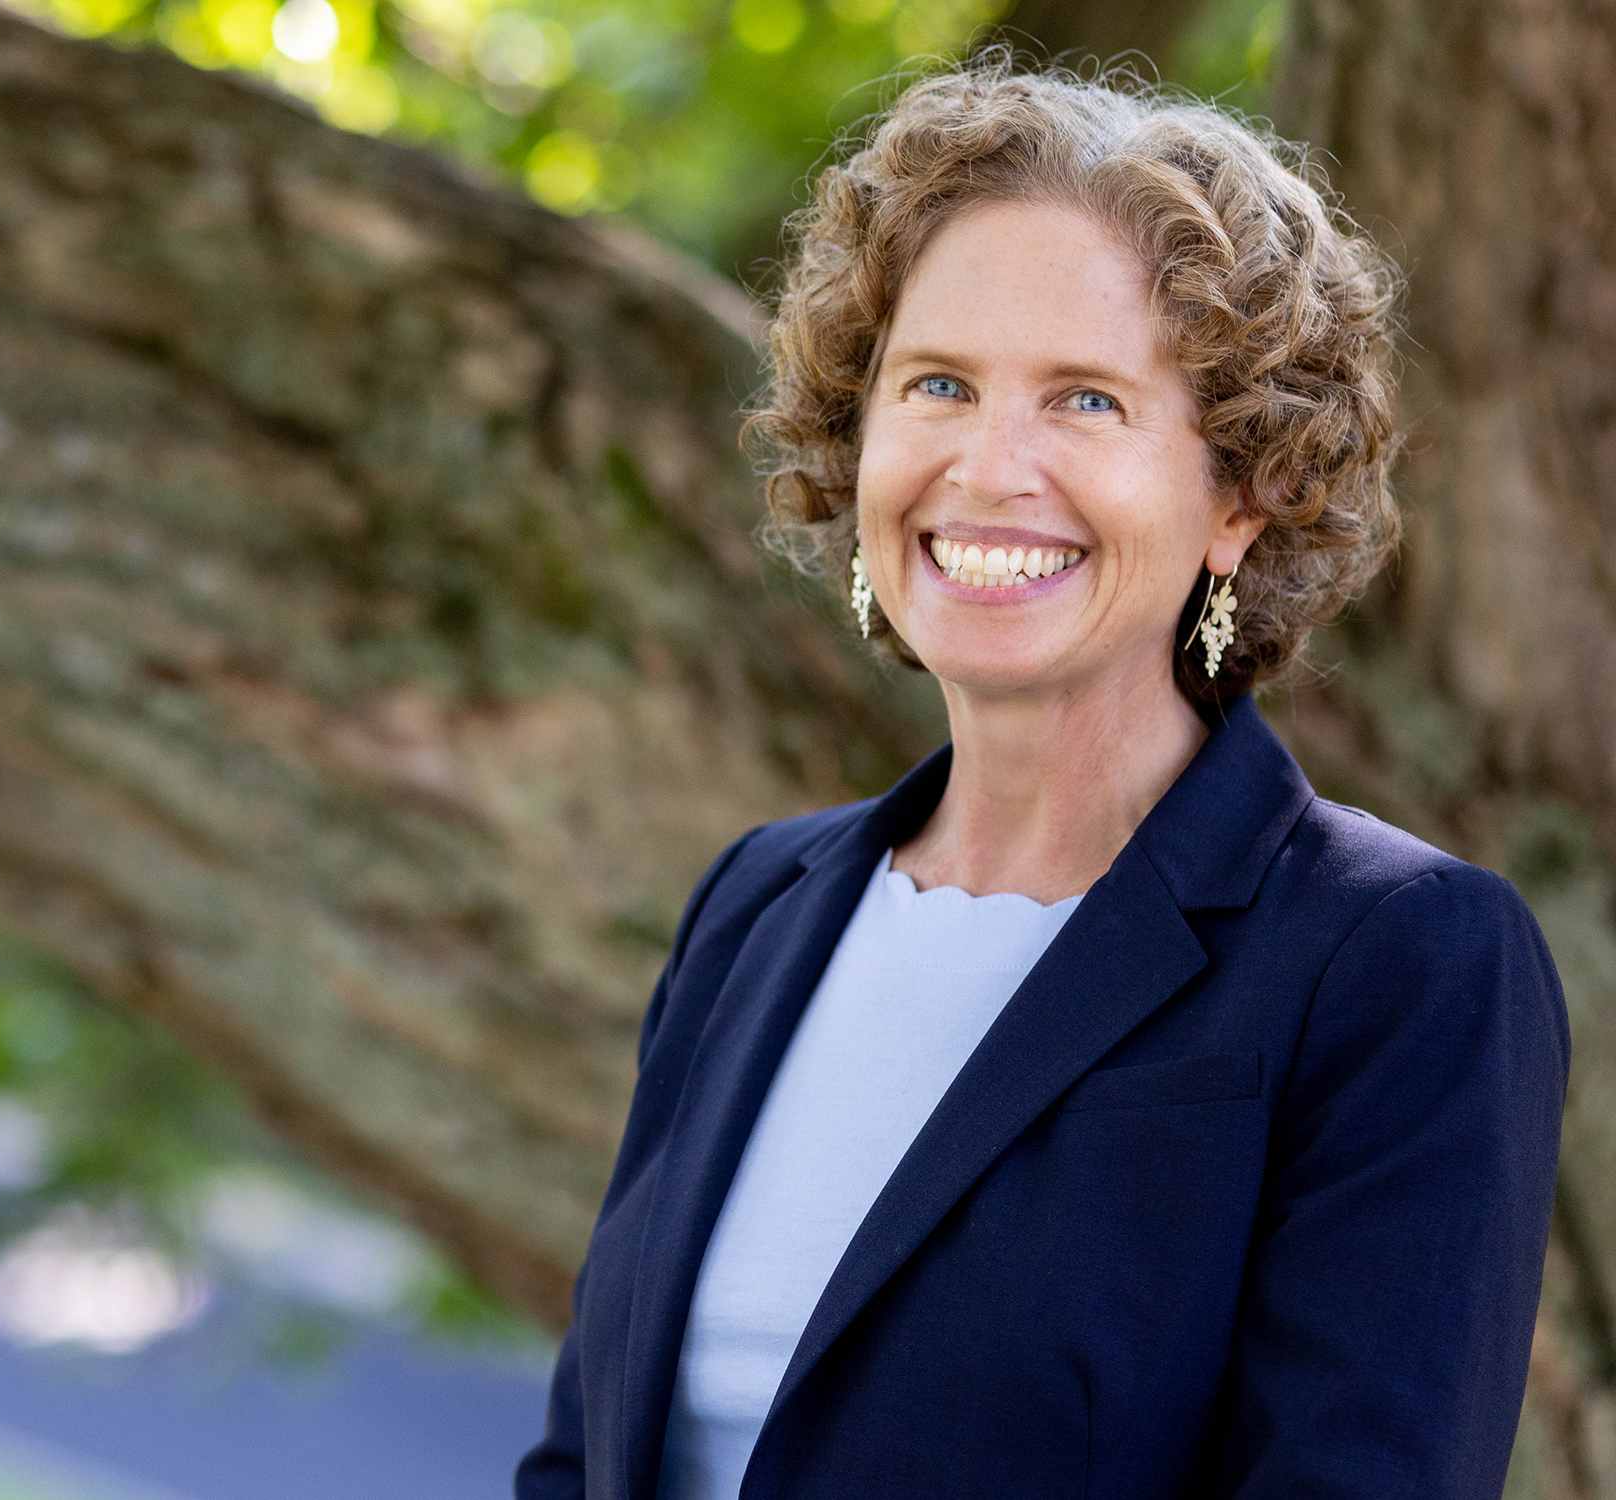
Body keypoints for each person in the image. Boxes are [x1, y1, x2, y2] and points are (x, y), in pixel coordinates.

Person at [515, 57, 1568, 1500]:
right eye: (937, 383)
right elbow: (582, 1464)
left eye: (1084, 402)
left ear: (1243, 493)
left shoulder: (1395, 961)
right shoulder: (754, 908)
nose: (987, 467)